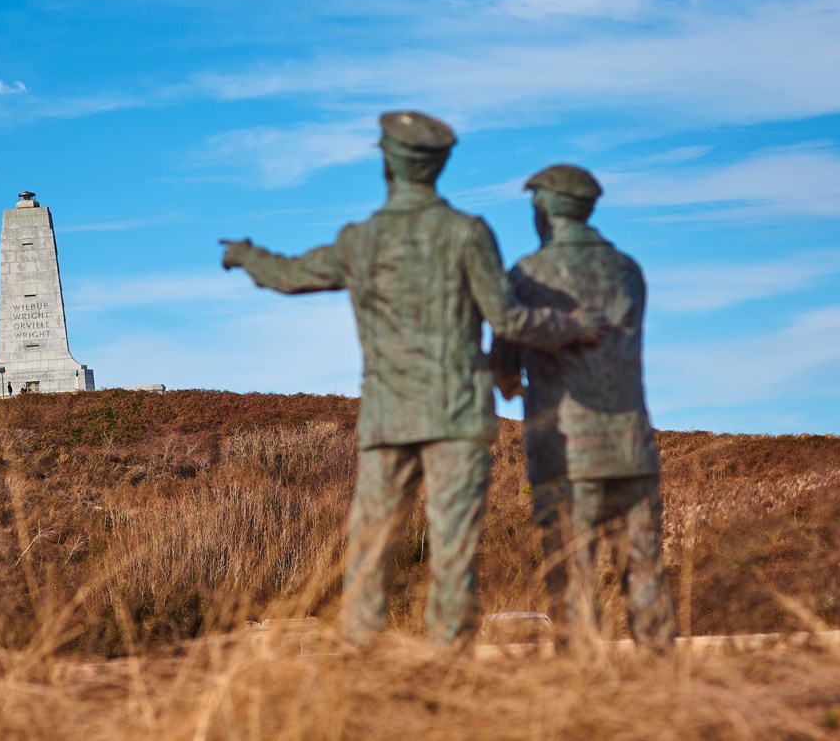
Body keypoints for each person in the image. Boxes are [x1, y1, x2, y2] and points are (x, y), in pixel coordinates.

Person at [221, 112, 605, 645]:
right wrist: (573, 325)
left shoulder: (363, 240)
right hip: (458, 412)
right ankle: (450, 661)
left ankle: (365, 658)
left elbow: (290, 276)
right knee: (454, 545)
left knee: (372, 542)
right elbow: (510, 320)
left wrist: (246, 255)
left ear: (388, 163)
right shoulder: (467, 232)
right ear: (438, 165)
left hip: (390, 413)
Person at [490, 164, 676, 651]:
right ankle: (663, 685)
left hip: (567, 451)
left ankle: (584, 692)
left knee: (573, 576)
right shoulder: (627, 271)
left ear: (547, 207)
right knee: (645, 568)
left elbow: (505, 364)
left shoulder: (526, 276)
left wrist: (511, 385)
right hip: (631, 446)